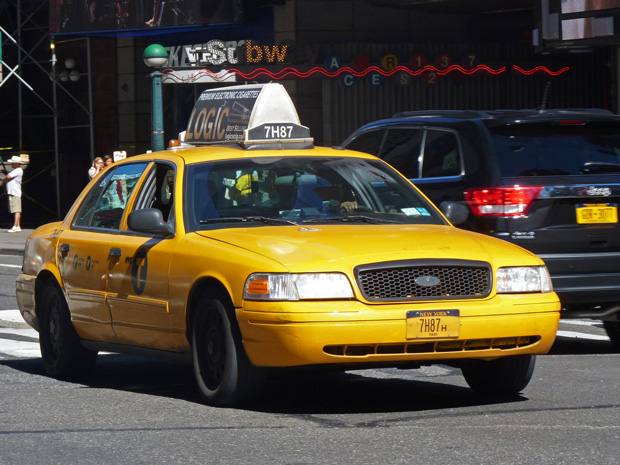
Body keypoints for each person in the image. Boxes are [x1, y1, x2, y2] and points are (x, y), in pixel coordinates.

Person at [3, 155, 24, 232]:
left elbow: (8, 176)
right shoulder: (16, 170)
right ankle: (18, 225)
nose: (12, 164)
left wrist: (4, 179)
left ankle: (15, 226)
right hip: (13, 192)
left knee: (17, 210)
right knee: (15, 209)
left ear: (17, 163)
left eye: (13, 163)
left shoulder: (18, 170)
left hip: (15, 192)